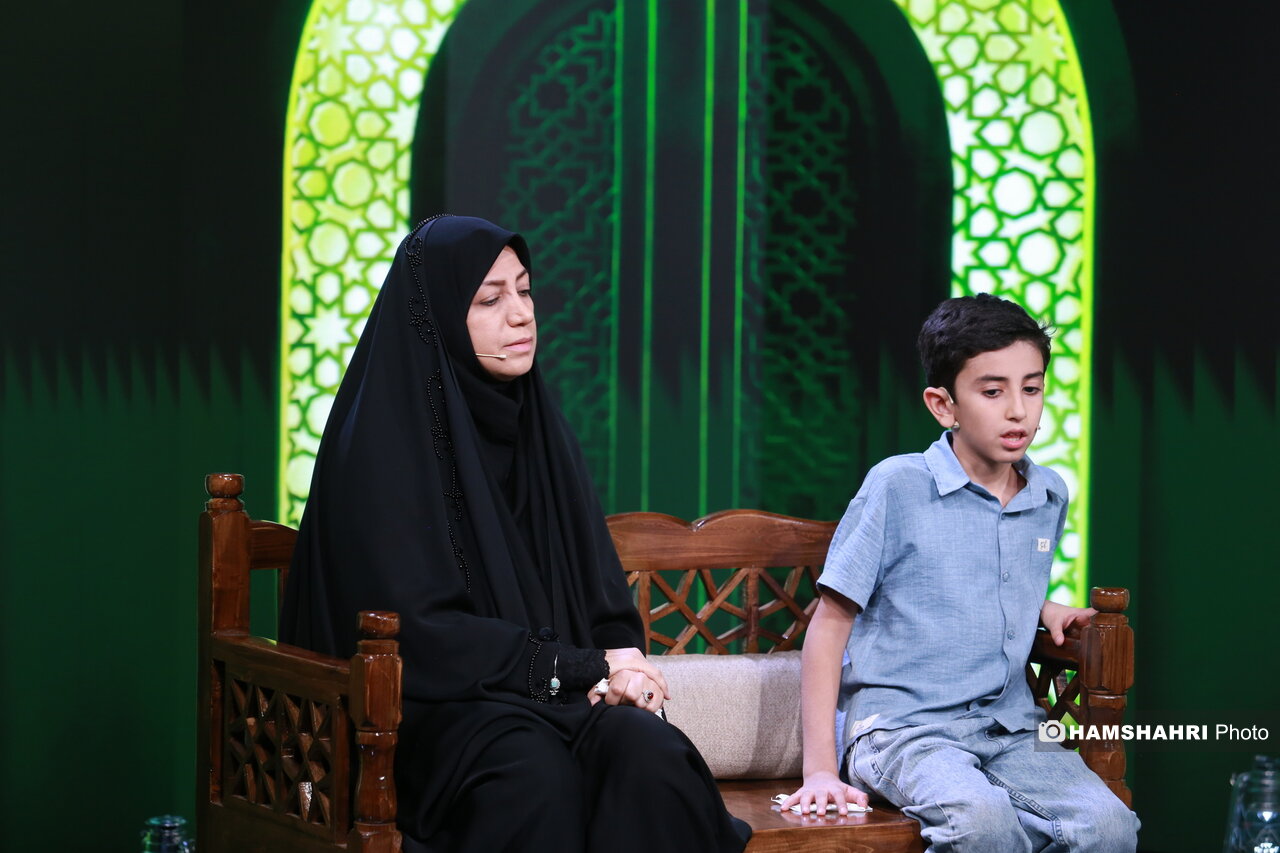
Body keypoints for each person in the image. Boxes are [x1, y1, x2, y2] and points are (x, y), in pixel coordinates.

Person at [281, 215, 749, 853]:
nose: (522, 314)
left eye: (525, 291)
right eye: (489, 299)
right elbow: (415, 633)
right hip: (416, 717)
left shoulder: (539, 431)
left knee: (649, 754)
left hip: (549, 698)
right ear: (437, 318)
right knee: (530, 774)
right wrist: (573, 667)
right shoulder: (379, 449)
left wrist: (622, 666)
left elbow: (598, 598)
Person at [781, 294, 1139, 851]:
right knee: (982, 823)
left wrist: (1043, 608)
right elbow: (829, 627)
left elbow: (988, 577)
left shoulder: (1048, 493)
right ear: (942, 405)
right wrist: (820, 770)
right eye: (993, 392)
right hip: (902, 730)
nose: (1018, 411)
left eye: (1032, 388)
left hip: (1010, 727)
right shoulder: (898, 485)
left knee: (1111, 827)